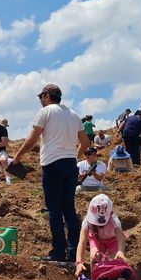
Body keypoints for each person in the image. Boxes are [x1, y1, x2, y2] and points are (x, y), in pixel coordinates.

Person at [13, 84, 90, 262]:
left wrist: (16, 157)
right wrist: (73, 155)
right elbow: (85, 142)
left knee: (54, 211)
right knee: (69, 209)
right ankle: (73, 253)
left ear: (47, 96)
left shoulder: (45, 112)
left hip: (52, 164)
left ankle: (58, 252)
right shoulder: (74, 114)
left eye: (41, 97)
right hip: (70, 165)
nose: (40, 100)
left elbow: (32, 139)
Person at [74, 194, 129, 280]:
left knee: (116, 260)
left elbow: (120, 237)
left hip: (113, 240)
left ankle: (115, 279)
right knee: (95, 257)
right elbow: (82, 242)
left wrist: (121, 251)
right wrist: (79, 262)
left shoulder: (114, 220)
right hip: (97, 239)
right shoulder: (87, 221)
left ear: (110, 214)